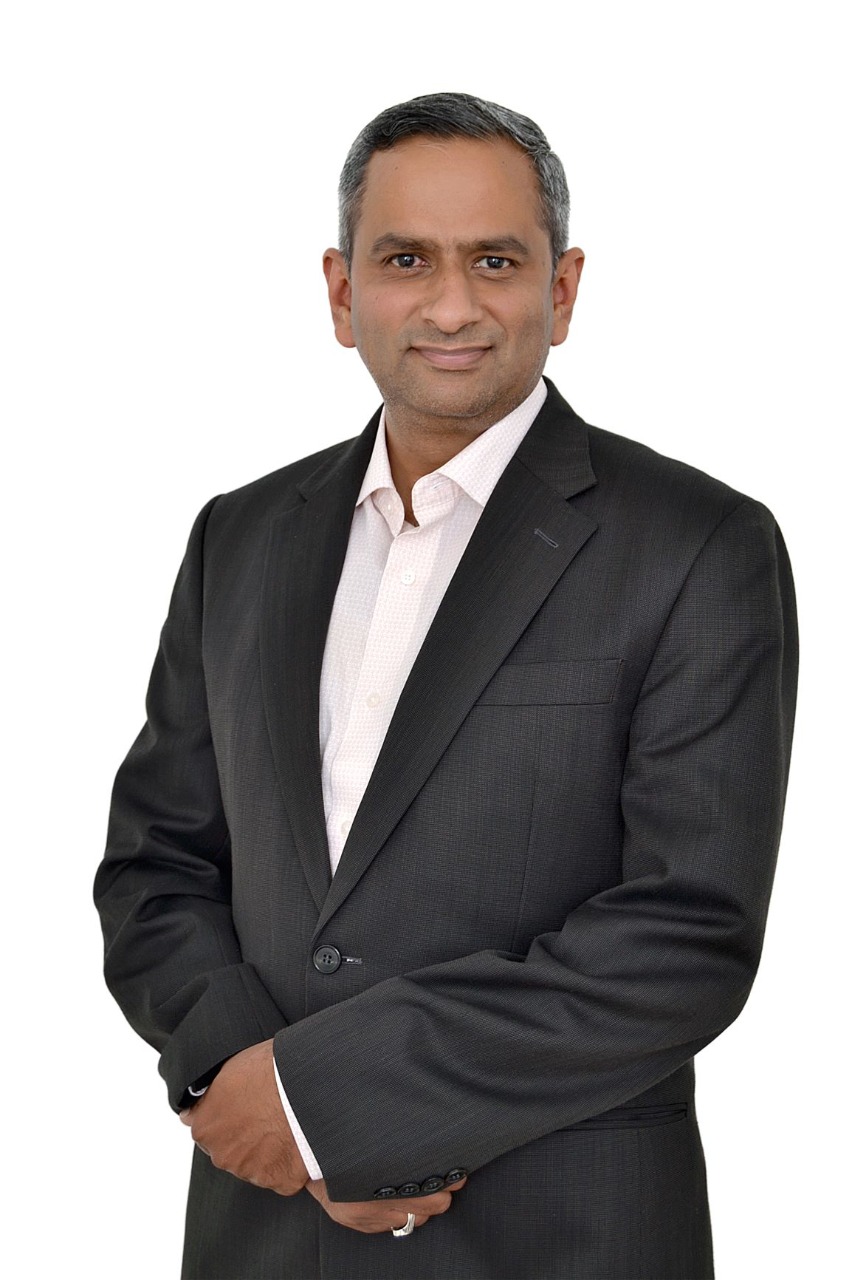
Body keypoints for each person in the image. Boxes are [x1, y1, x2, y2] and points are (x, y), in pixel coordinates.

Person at [94, 91, 798, 1280]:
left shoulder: (698, 545)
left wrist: (326, 1103)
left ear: (563, 289)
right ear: (341, 291)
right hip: (264, 1235)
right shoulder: (240, 538)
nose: (453, 304)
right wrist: (236, 1075)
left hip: (554, 1238)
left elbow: (686, 932)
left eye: (496, 261)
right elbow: (157, 863)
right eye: (406, 259)